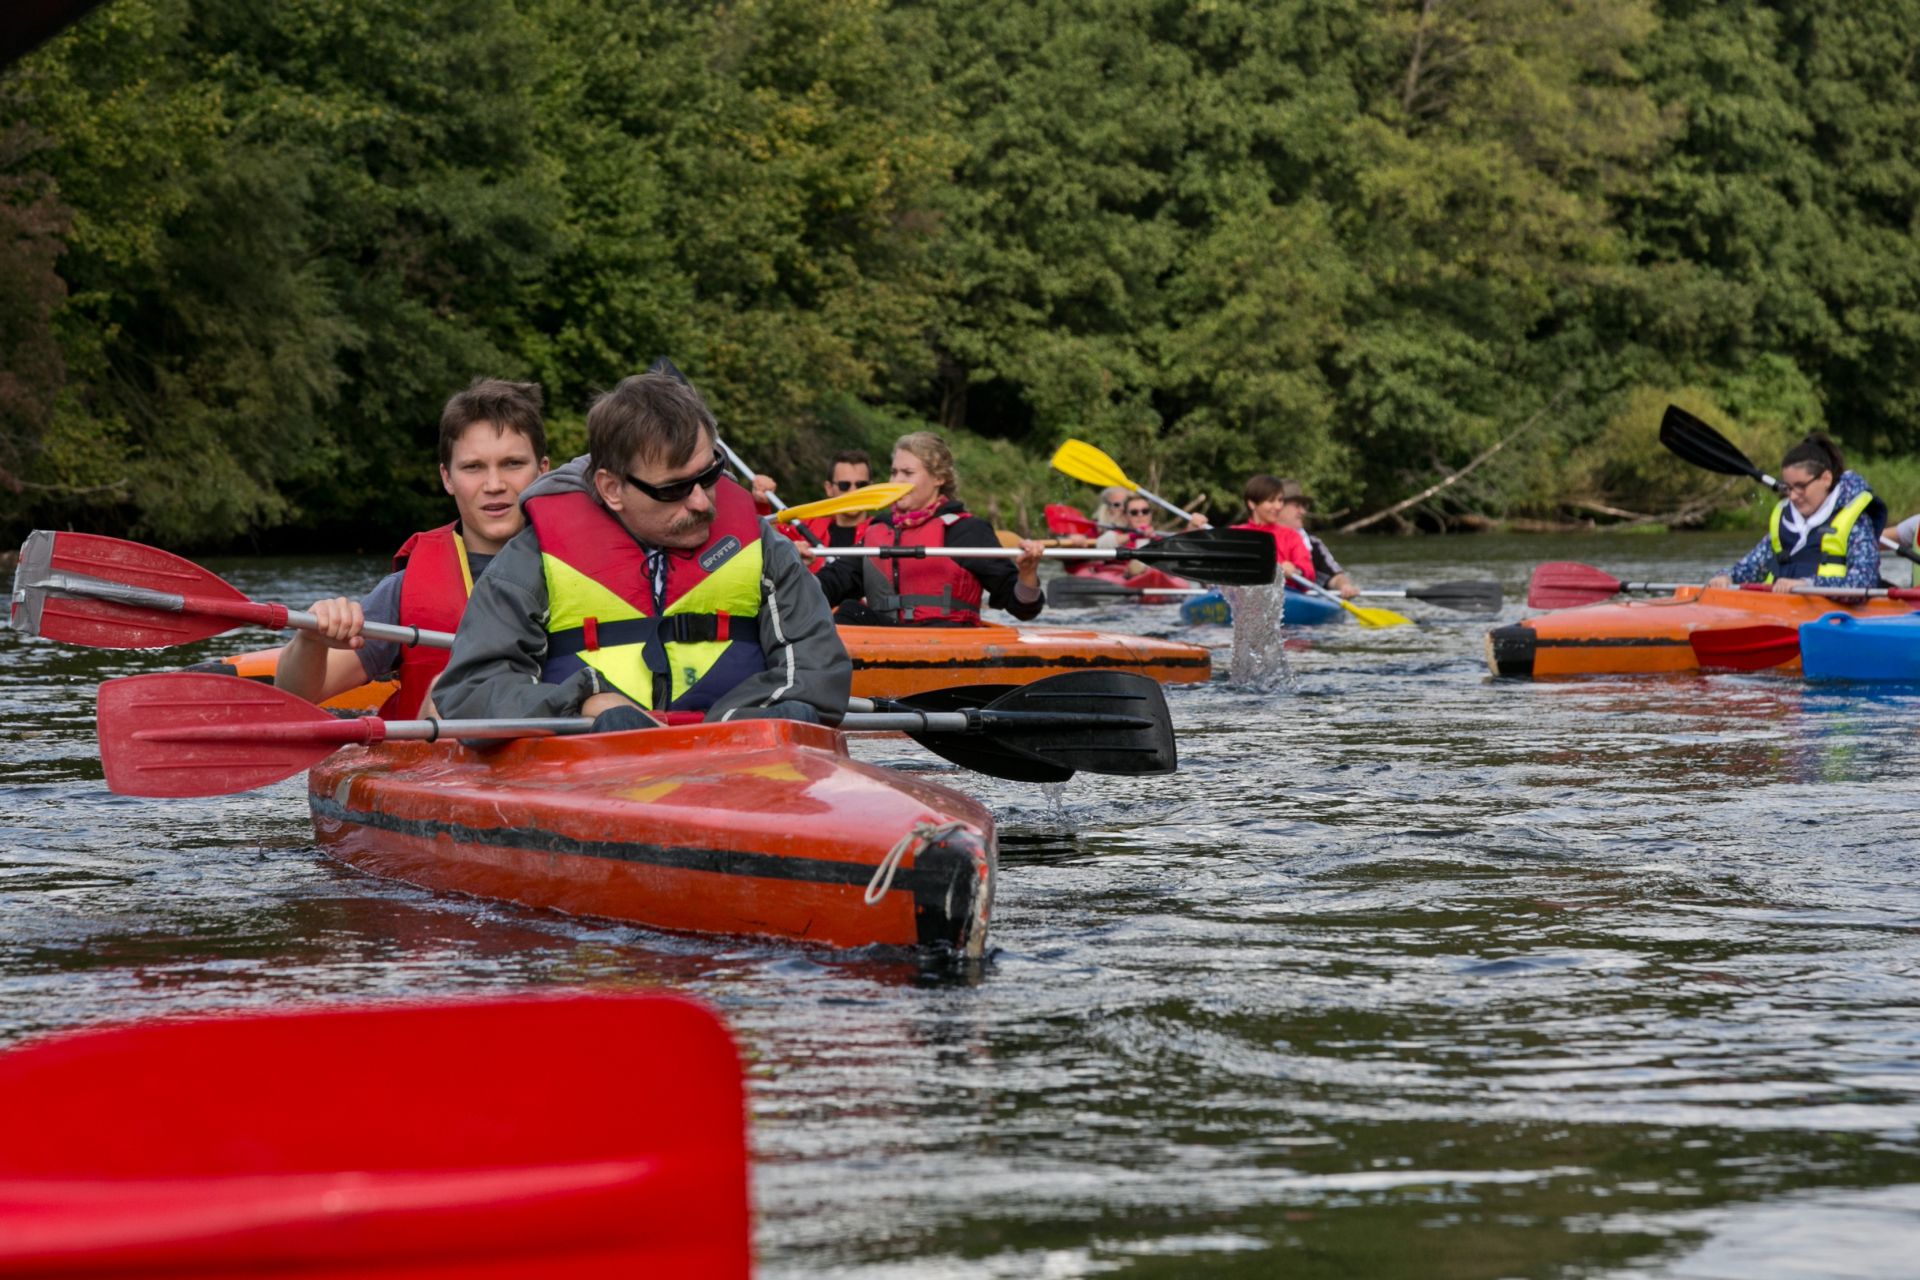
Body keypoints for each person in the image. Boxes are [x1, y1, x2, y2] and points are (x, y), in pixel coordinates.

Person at [431, 371, 849, 729]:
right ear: (612, 488)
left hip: (742, 759)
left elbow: (817, 674)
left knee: (795, 713)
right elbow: (472, 690)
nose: (701, 502)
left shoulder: (763, 547)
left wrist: (725, 730)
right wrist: (587, 701)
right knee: (612, 724)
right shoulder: (533, 557)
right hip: (595, 768)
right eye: (673, 489)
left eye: (709, 476)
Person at [274, 378, 551, 713]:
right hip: (440, 742)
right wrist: (310, 639)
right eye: (473, 467)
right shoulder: (404, 591)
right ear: (447, 478)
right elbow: (294, 697)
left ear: (543, 471)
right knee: (442, 693)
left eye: (512, 464)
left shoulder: (584, 570)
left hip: (565, 737)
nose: (494, 484)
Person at [813, 432, 1046, 625]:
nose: (896, 482)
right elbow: (832, 584)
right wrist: (797, 570)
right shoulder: (879, 530)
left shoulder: (967, 531)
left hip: (945, 640)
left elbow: (1023, 608)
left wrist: (1027, 573)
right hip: (888, 640)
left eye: (908, 473)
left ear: (938, 478)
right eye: (894, 472)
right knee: (849, 612)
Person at [1707, 433, 1885, 591]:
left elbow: (1864, 581)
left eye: (1801, 486)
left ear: (1826, 479)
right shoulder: (1785, 520)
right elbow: (1750, 567)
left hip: (1832, 613)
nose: (1793, 496)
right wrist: (1726, 577)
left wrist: (1808, 584)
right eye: (1788, 487)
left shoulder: (1857, 522)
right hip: (1782, 610)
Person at [1266, 478, 1359, 598]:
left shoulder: (1313, 544)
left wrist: (1345, 586)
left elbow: (1335, 576)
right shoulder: (1258, 537)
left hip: (1302, 600)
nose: (1303, 511)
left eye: (1304, 506)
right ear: (1278, 506)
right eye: (1297, 506)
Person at [783, 449, 874, 553]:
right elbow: (771, 538)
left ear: (871, 488)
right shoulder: (807, 528)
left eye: (861, 485)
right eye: (844, 485)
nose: (853, 491)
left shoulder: (883, 531)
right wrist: (766, 502)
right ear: (829, 488)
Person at [1232, 474, 1316, 585]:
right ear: (1252, 504)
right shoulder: (1234, 534)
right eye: (1271, 501)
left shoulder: (1291, 536)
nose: (1278, 506)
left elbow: (1309, 573)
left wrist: (1296, 571)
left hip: (1285, 591)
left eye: (1280, 500)